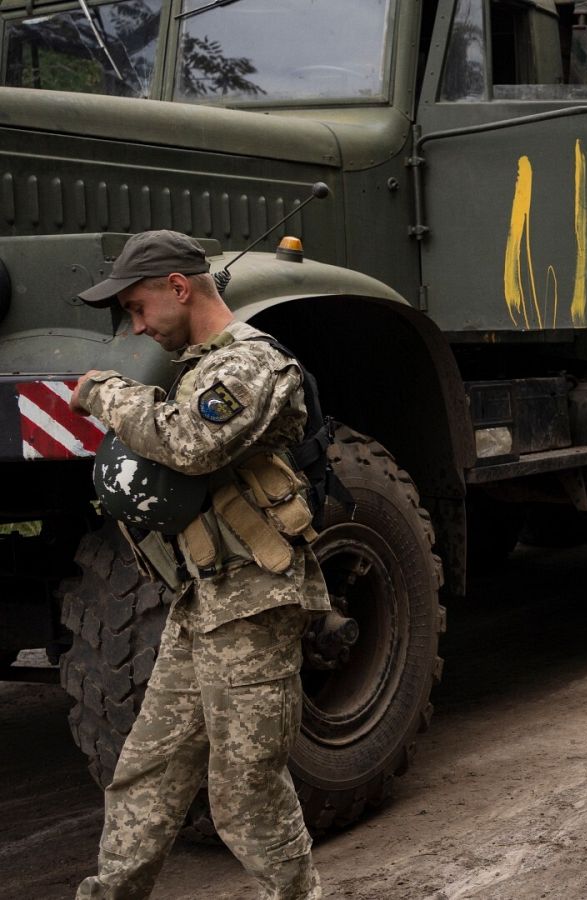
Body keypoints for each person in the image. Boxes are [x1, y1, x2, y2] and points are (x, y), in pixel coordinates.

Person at [68, 230, 326, 899]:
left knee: (246, 794)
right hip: (205, 602)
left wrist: (107, 393)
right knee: (146, 773)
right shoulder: (201, 365)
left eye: (138, 306)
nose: (137, 325)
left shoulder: (250, 364)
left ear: (178, 288)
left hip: (256, 604)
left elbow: (186, 443)